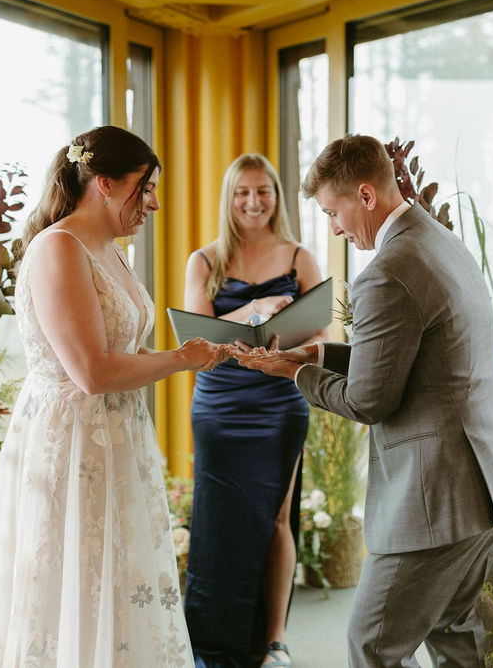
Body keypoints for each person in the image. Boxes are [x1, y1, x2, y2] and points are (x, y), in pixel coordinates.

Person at [242, 134, 493, 667]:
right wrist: (319, 353)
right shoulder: (439, 239)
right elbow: (416, 361)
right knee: (454, 630)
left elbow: (370, 399)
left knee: (371, 643)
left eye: (334, 211)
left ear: (366, 196)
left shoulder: (386, 273)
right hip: (491, 481)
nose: (333, 227)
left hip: (441, 498)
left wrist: (298, 373)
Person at [0, 125, 231, 668]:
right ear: (103, 182)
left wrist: (194, 349)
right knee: (70, 581)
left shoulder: (113, 250)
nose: (153, 202)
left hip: (119, 438)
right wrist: (179, 360)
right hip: (72, 443)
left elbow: (121, 346)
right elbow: (90, 370)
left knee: (117, 577)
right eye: (144, 187)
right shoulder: (58, 247)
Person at [182, 153, 327, 668]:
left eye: (263, 191)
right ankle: (215, 641)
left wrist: (298, 349)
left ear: (277, 197)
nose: (253, 201)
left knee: (278, 516)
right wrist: (256, 311)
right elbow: (197, 339)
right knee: (218, 519)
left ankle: (275, 641)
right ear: (229, 197)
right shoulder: (204, 261)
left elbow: (324, 333)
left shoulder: (299, 258)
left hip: (280, 402)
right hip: (220, 403)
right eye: (243, 192)